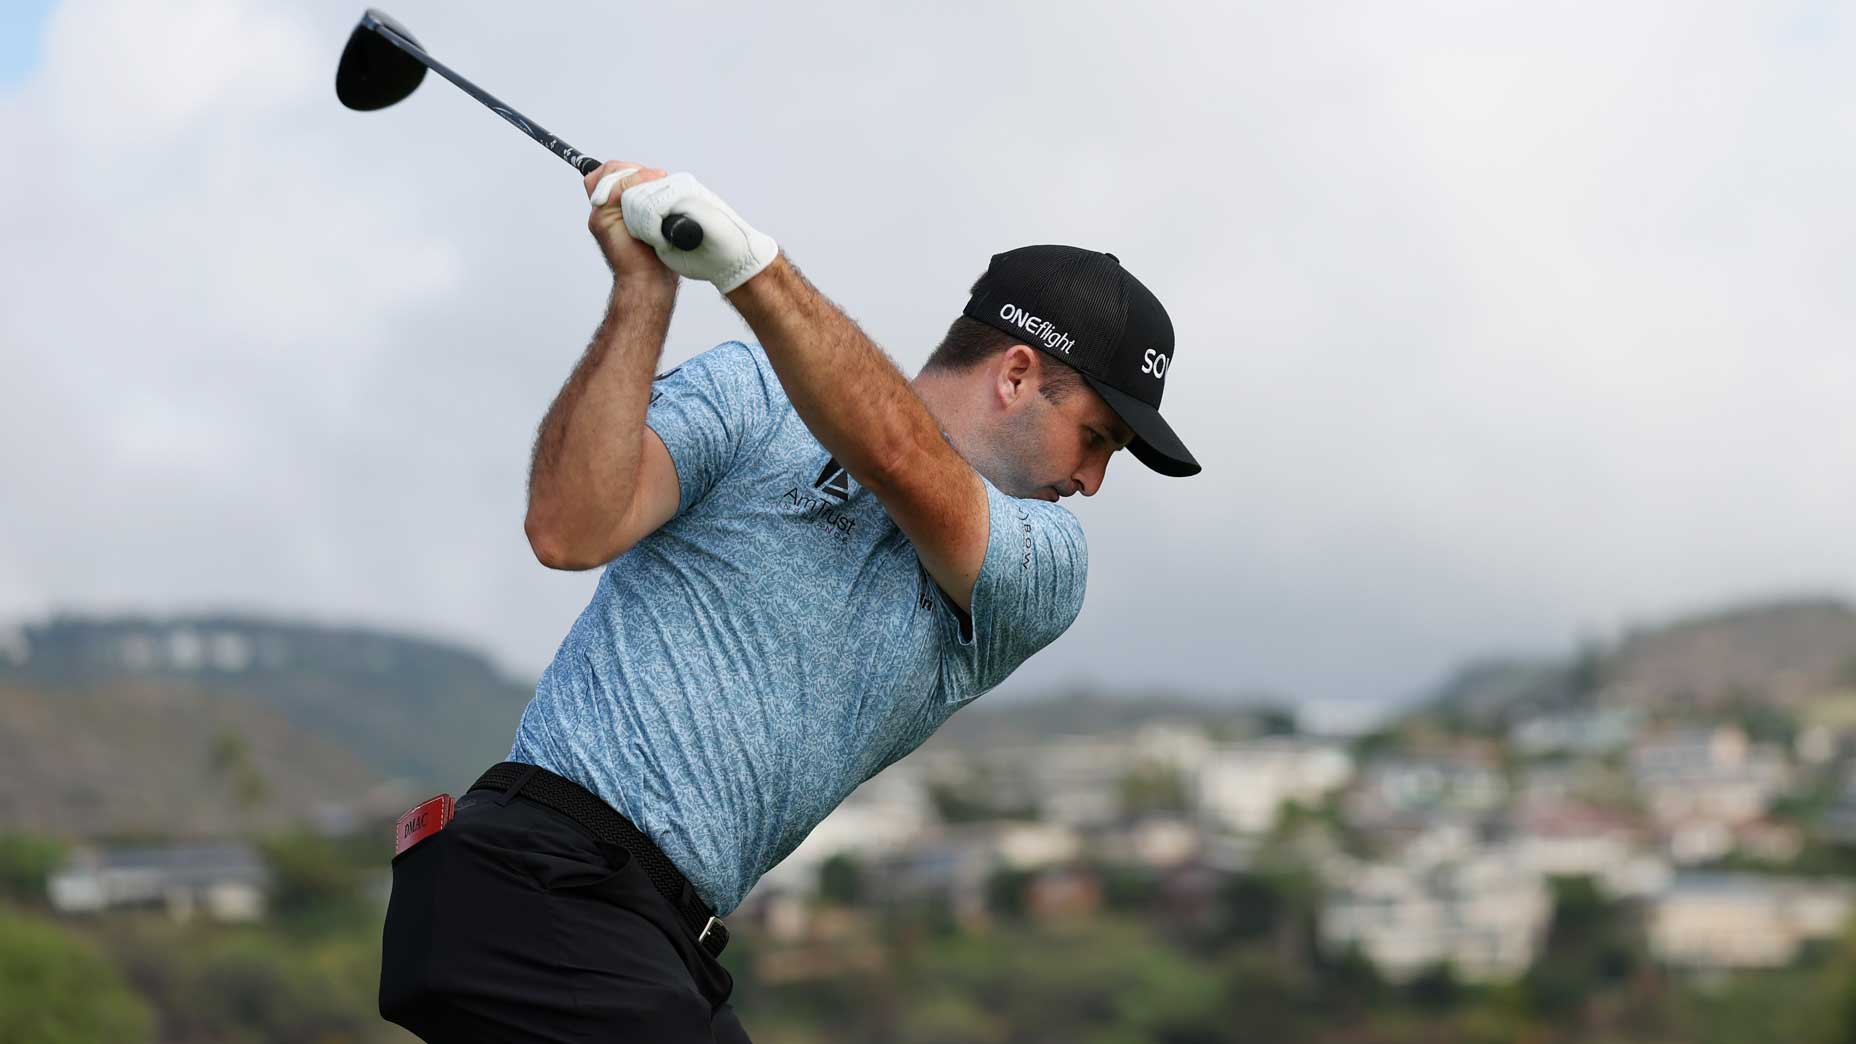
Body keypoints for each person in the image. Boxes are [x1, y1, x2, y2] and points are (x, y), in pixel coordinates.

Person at [378, 160, 1201, 1043]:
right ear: (1015, 374)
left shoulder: (1044, 565)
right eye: (1095, 437)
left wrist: (752, 267)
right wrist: (642, 294)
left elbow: (901, 459)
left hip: (649, 938)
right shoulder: (753, 396)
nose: (1092, 479)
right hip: (532, 876)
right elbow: (567, 530)